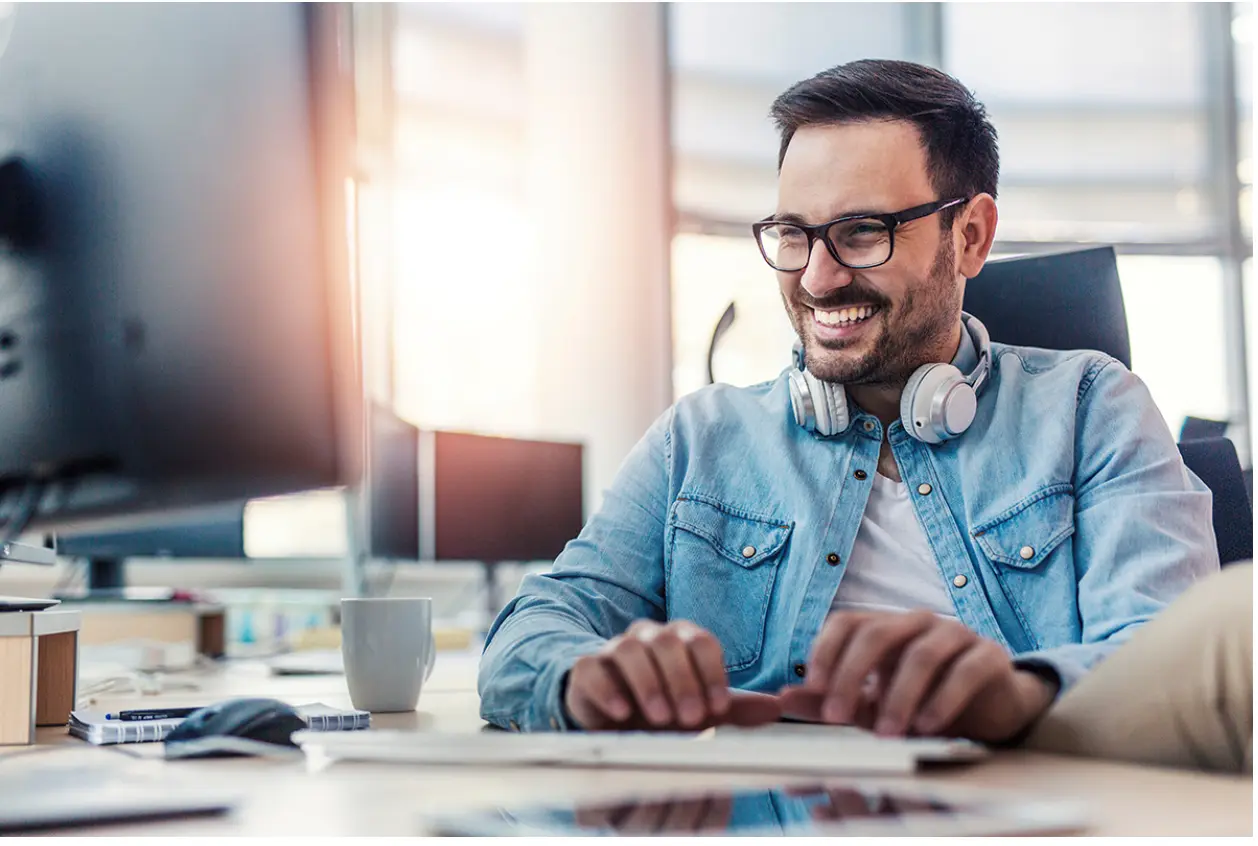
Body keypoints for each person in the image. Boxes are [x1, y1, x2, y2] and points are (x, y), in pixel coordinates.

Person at [478, 58, 1245, 771]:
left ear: (970, 235)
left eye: (861, 234)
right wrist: (583, 677)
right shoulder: (698, 440)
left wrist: (1018, 694)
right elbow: (530, 631)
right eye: (792, 235)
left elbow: (1165, 662)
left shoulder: (1090, 409)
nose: (816, 278)